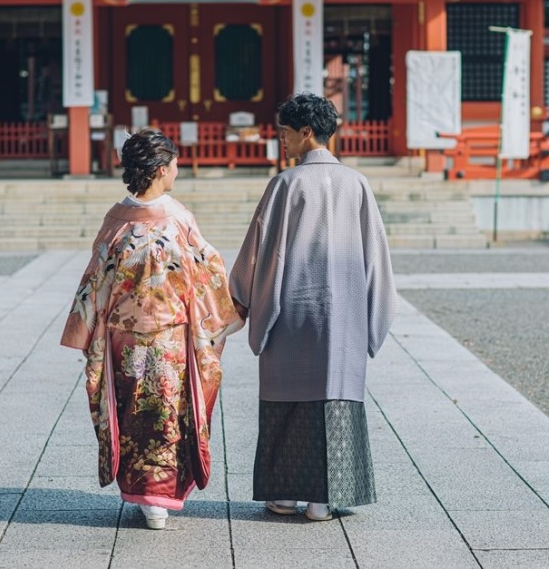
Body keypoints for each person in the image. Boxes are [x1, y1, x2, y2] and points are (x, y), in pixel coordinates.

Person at [61, 129, 242, 530]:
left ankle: (144, 496)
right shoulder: (178, 218)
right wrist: (229, 312)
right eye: (174, 163)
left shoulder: (116, 220)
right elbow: (206, 269)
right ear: (161, 169)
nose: (178, 169)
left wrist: (87, 329)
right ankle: (158, 497)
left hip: (122, 340)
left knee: (133, 415)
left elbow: (96, 279)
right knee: (165, 414)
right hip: (170, 340)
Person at [229, 93, 398, 521]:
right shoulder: (357, 183)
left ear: (306, 133)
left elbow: (262, 254)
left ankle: (285, 496)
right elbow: (376, 257)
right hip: (343, 317)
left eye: (285, 132)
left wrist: (244, 299)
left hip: (292, 312)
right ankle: (324, 500)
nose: (281, 140)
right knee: (334, 400)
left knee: (287, 402)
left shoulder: (287, 184)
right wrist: (374, 318)